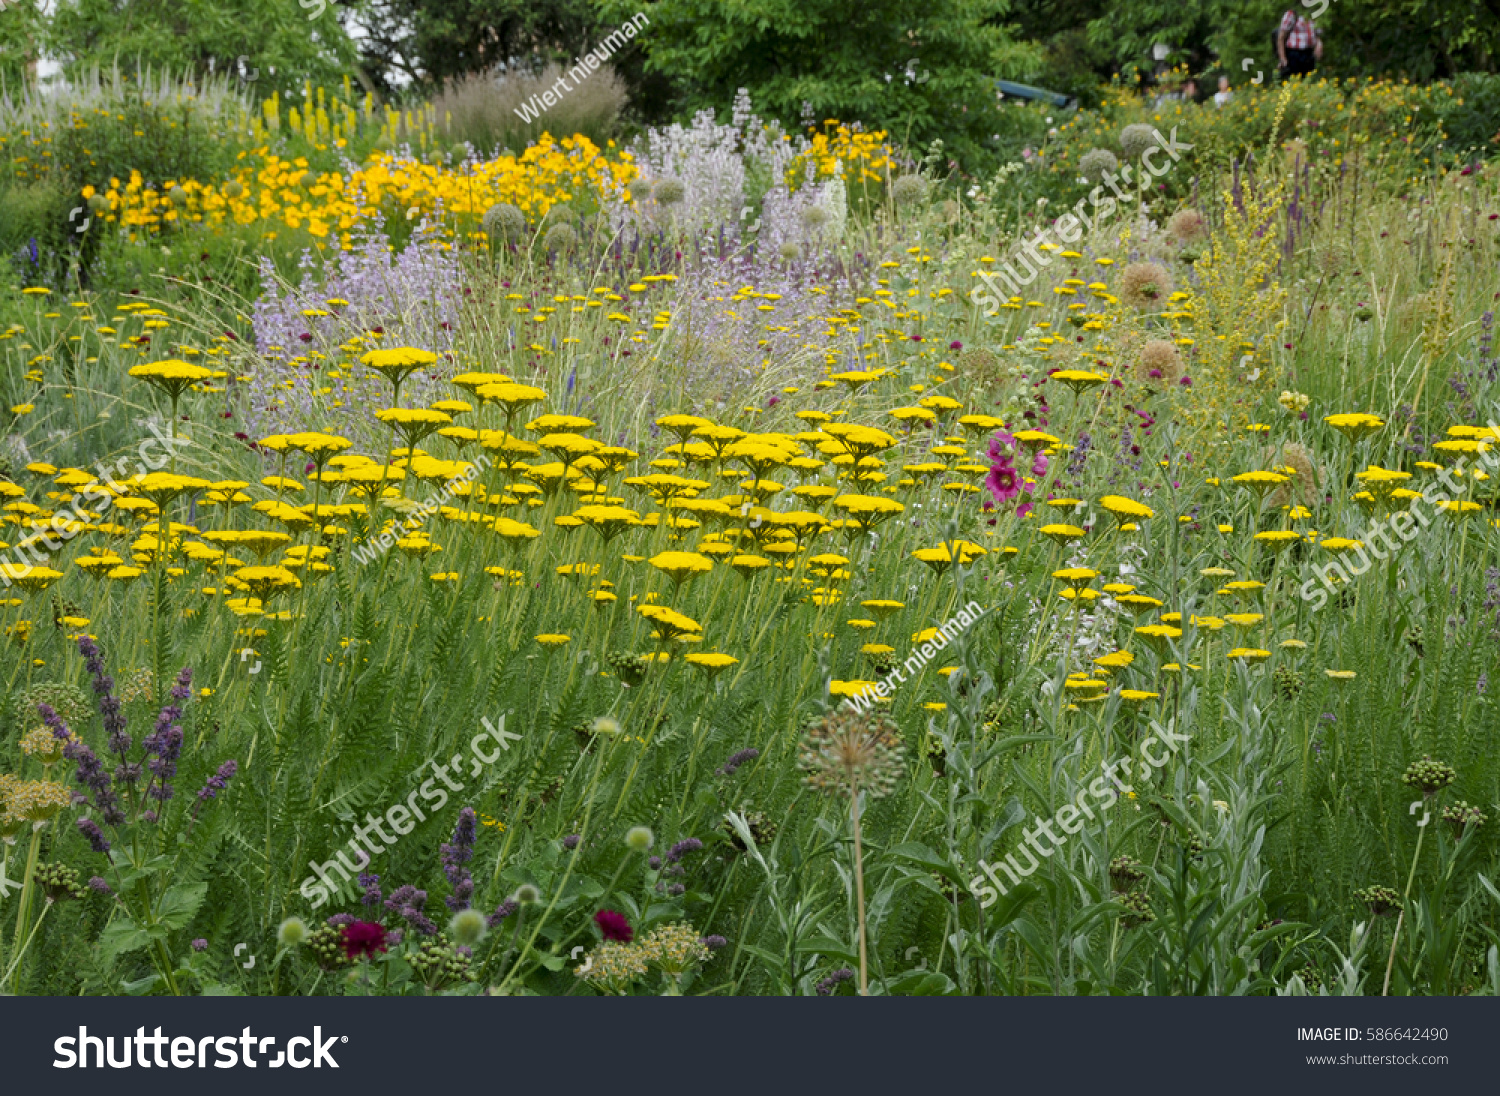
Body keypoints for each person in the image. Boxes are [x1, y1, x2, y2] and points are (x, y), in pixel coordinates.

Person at [1277, 10, 1322, 78]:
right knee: (1293, 79)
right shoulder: (1291, 14)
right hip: (1293, 53)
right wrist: (1283, 58)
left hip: (1308, 53)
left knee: (1308, 79)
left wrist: (1319, 45)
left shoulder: (1314, 13)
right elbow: (1281, 37)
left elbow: (1317, 35)